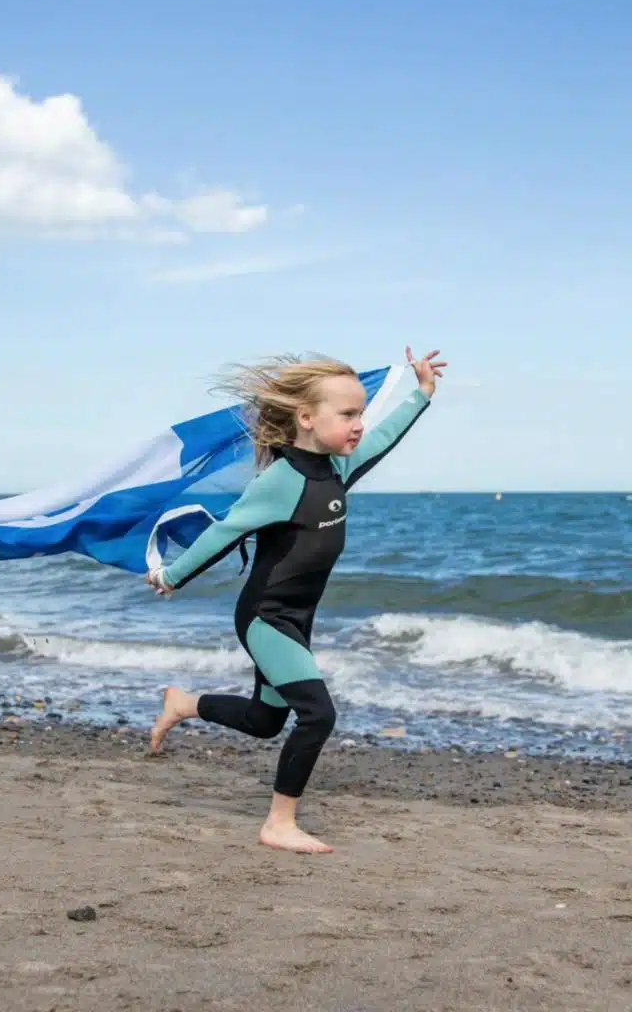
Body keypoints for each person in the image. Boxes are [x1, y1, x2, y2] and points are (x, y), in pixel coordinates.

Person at [145, 347, 447, 853]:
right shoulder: (280, 481)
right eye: (347, 414)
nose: (359, 424)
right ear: (306, 418)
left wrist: (422, 394)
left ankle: (184, 703)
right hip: (266, 618)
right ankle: (278, 824)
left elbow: (383, 439)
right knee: (318, 715)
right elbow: (225, 532)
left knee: (265, 722)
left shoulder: (337, 469)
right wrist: (172, 576)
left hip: (297, 619)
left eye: (360, 413)